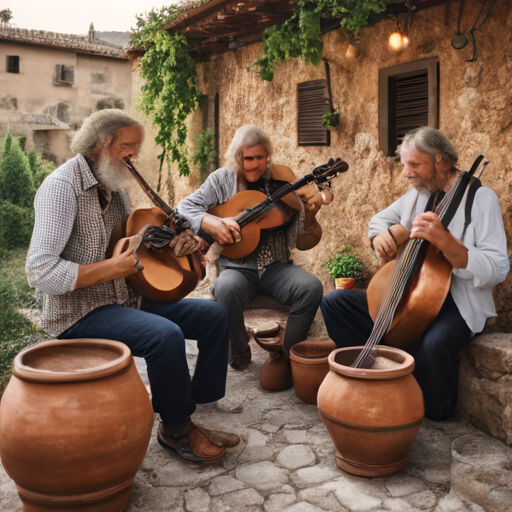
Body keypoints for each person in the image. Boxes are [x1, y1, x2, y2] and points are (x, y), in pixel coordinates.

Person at [26, 109, 239, 464]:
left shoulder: (117, 192)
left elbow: (130, 253)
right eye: (128, 147)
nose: (133, 156)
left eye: (136, 148)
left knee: (213, 315)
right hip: (78, 314)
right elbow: (40, 271)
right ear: (102, 143)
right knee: (165, 335)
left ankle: (190, 405)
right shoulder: (61, 188)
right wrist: (110, 269)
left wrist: (173, 249)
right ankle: (176, 430)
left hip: (124, 301)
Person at [321, 126, 509, 421]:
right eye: (405, 164)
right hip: (409, 294)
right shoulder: (419, 194)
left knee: (434, 345)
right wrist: (379, 236)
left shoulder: (481, 199)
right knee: (335, 303)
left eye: (415, 164)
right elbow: (380, 220)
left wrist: (449, 245)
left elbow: (498, 267)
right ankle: (376, 375)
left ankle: (432, 406)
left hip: (457, 302)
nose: (407, 173)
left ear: (442, 161)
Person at [177, 125, 331, 390]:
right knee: (225, 288)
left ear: (267, 157)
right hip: (237, 267)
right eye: (249, 158)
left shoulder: (282, 180)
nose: (255, 164)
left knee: (311, 287)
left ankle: (287, 356)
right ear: (238, 157)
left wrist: (315, 205)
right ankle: (240, 353)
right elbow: (185, 206)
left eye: (260, 157)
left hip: (277, 267)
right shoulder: (221, 180)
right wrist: (210, 222)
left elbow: (307, 221)